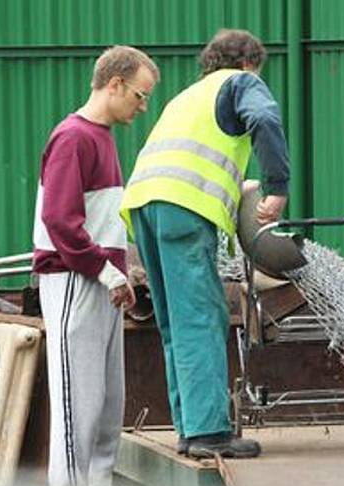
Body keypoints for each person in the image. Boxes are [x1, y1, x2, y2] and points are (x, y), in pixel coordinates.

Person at [120, 29, 290, 459]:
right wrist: (277, 188)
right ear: (249, 62)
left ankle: (190, 428)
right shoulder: (241, 83)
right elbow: (265, 120)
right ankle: (210, 432)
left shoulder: (189, 96)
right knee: (202, 315)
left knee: (176, 323)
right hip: (183, 207)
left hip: (144, 206)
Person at [32, 45, 159, 486]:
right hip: (75, 282)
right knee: (77, 409)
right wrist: (107, 273)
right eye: (140, 96)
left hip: (102, 284)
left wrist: (117, 275)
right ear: (115, 84)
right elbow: (60, 221)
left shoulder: (100, 138)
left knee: (106, 405)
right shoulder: (74, 137)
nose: (142, 107)